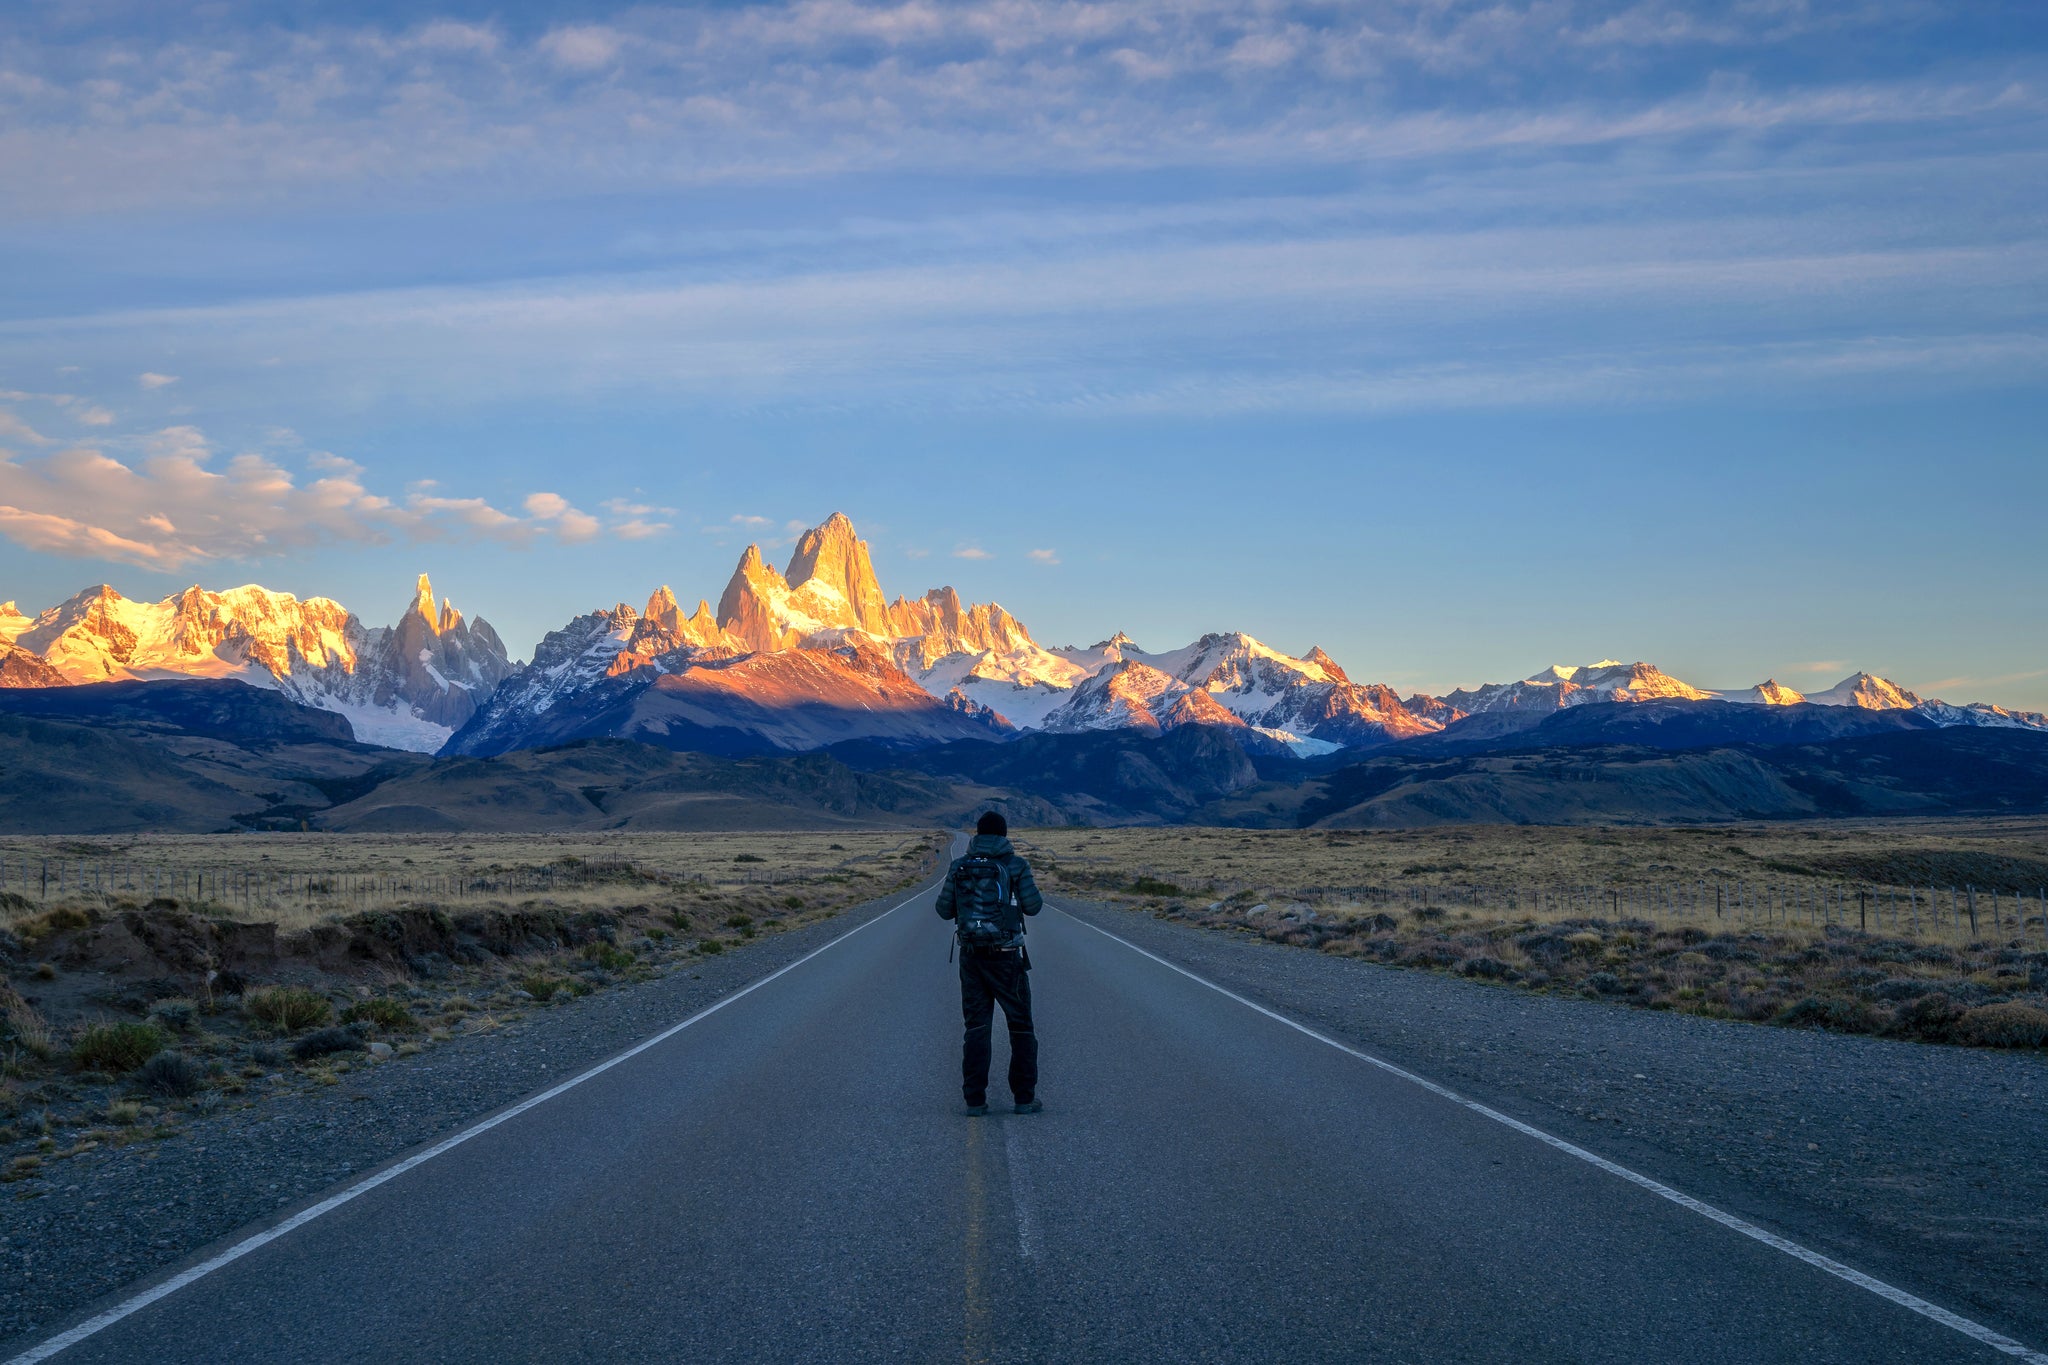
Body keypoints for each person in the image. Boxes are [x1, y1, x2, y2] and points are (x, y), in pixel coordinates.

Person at [936, 810, 1044, 1116]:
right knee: (1021, 1026)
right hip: (1008, 957)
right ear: (1004, 835)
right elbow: (1034, 907)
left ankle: (974, 1100)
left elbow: (943, 911)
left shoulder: (959, 866)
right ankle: (1024, 1098)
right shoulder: (1016, 864)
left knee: (976, 1027)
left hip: (971, 957)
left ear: (977, 835)